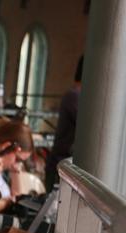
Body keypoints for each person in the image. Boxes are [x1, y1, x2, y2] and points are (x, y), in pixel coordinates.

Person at [45, 56, 83, 191]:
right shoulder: (74, 96)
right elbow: (86, 125)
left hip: (64, 165)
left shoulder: (76, 96)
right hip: (60, 165)